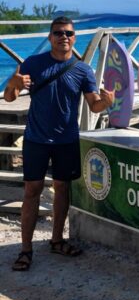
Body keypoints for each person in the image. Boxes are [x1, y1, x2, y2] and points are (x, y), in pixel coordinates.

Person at [3, 16, 114, 271]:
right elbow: (9, 99)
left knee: (63, 190)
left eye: (68, 33)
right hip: (36, 140)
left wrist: (107, 102)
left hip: (66, 140)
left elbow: (93, 104)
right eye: (58, 33)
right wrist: (13, 84)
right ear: (50, 37)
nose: (63, 37)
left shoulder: (83, 70)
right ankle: (25, 250)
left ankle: (56, 240)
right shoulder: (33, 63)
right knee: (32, 191)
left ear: (74, 38)